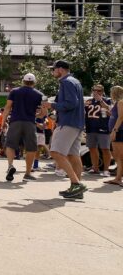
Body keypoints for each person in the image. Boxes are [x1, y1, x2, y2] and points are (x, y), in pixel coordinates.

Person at [42, 60, 86, 199]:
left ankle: (76, 183)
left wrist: (52, 105)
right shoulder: (75, 81)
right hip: (77, 123)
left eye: (53, 69)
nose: (52, 72)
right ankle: (77, 188)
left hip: (68, 122)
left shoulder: (66, 82)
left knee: (56, 152)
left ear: (60, 69)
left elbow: (71, 103)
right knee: (73, 155)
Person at [0, 73, 43, 181]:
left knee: (11, 145)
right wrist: (35, 115)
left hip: (15, 121)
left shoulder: (14, 91)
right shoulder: (38, 94)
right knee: (31, 148)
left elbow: (8, 107)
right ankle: (27, 173)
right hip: (30, 123)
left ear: (23, 81)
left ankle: (10, 165)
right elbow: (43, 112)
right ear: (34, 82)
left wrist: (3, 121)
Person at [84, 84, 112, 176]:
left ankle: (106, 170)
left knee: (105, 149)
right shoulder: (89, 101)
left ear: (103, 92)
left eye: (99, 91)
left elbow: (110, 112)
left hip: (103, 128)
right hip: (90, 128)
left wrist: (100, 100)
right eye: (95, 90)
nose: (96, 92)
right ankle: (94, 167)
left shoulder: (107, 100)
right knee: (92, 148)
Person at [104, 86, 123, 186]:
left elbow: (121, 117)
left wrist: (115, 130)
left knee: (120, 156)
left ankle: (119, 178)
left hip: (119, 131)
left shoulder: (120, 102)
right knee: (117, 156)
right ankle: (118, 178)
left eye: (111, 92)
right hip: (116, 131)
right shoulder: (117, 103)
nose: (110, 93)